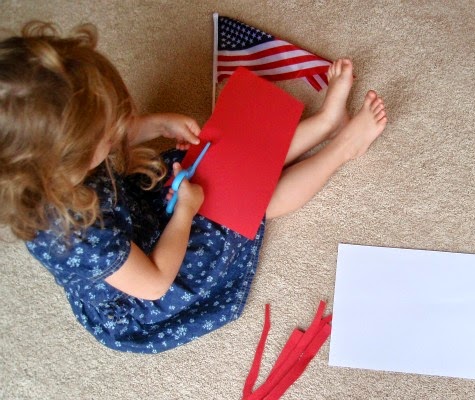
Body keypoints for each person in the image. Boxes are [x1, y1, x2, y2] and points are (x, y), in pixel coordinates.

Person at [0, 22, 386, 353]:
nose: (118, 130)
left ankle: (325, 123)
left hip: (138, 219)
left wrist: (154, 125)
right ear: (70, 160)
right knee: (249, 203)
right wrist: (185, 211)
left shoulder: (48, 165)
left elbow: (114, 135)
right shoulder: (77, 238)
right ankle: (343, 147)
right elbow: (154, 282)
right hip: (153, 276)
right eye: (108, 132)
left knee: (224, 164)